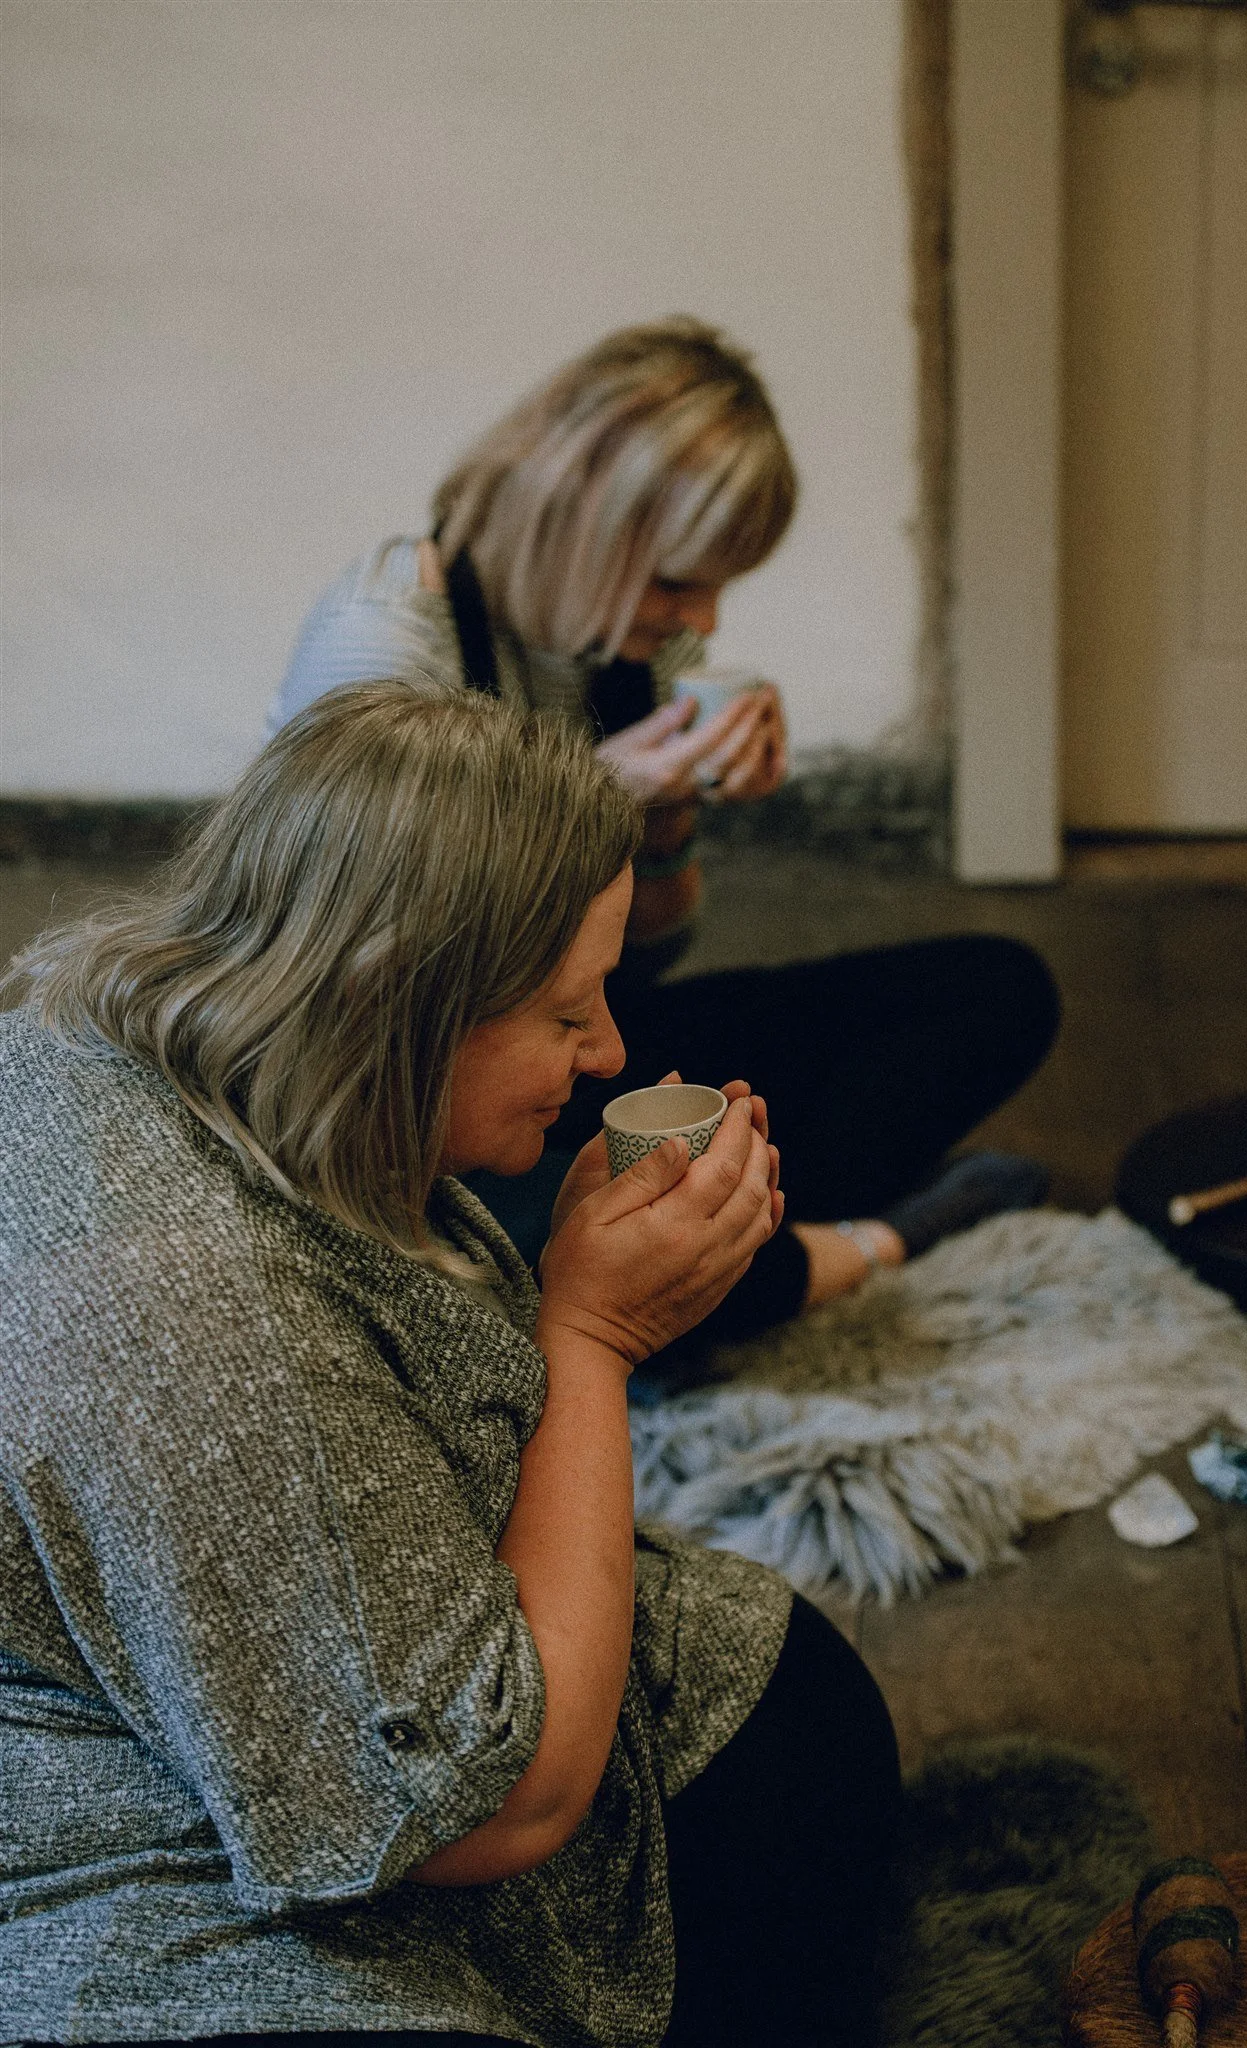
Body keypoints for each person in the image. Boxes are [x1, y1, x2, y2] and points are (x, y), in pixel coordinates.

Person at [0, 681, 901, 2048]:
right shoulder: (206, 1322)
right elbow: (489, 1806)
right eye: (563, 1011)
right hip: (122, 1824)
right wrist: (592, 1338)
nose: (606, 1052)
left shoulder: (115, 1029)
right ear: (398, 1006)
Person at [267, 319, 1059, 1375]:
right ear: (580, 525)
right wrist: (592, 799)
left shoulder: (627, 640)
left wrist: (667, 819)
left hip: (569, 1043)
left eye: (721, 584)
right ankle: (851, 1246)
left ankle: (714, 1241)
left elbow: (633, 970)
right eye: (680, 584)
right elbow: (373, 1000)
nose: (706, 621)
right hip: (421, 1087)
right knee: (522, 1239)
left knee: (998, 988)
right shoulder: (384, 645)